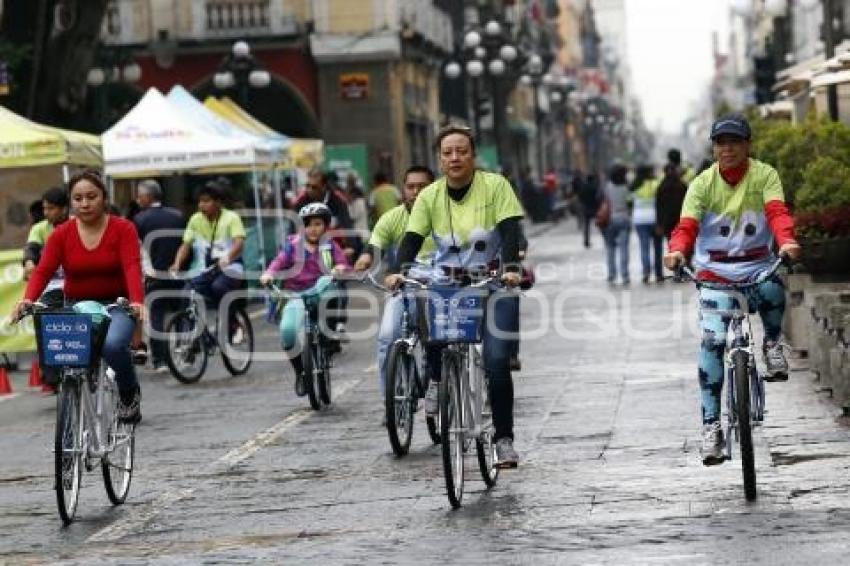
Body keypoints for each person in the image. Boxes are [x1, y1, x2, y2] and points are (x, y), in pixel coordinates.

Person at [663, 114, 802, 466]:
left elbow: (777, 213)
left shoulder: (764, 175)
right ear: (714, 148)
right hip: (715, 275)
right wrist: (677, 251)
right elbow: (686, 226)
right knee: (711, 342)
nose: (727, 149)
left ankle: (771, 344)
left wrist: (786, 242)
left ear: (747, 145)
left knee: (773, 290)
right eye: (721, 143)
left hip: (758, 268)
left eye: (735, 142)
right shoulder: (701, 185)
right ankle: (711, 427)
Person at [385, 125, 524, 468]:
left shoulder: (495, 186)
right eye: (447, 153)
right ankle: (438, 383)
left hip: (493, 284)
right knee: (430, 327)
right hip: (447, 286)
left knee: (494, 360)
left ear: (473, 155)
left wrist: (509, 268)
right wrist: (399, 269)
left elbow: (510, 233)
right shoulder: (430, 196)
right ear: (440, 159)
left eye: (461, 151)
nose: (454, 158)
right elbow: (412, 239)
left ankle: (503, 439)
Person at [12, 170, 145, 423]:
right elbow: (43, 270)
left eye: (91, 197)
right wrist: (28, 299)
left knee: (113, 346)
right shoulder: (61, 233)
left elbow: (132, 266)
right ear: (71, 202)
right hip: (77, 307)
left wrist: (137, 301)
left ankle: (129, 393)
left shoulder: (123, 228)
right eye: (78, 198)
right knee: (61, 353)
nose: (85, 204)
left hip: (116, 305)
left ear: (104, 198)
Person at [353, 165, 436, 406]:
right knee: (388, 337)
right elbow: (375, 243)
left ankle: (439, 383)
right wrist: (366, 257)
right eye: (411, 187)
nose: (416, 191)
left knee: (443, 339)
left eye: (423, 186)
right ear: (403, 191)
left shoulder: (447, 215)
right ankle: (393, 399)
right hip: (405, 285)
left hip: (440, 287)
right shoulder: (392, 218)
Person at [259, 203, 350, 396]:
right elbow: (278, 262)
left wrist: (339, 269)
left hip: (321, 291)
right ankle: (300, 372)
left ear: (326, 226)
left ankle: (330, 338)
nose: (313, 229)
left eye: (318, 224)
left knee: (333, 295)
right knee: (288, 331)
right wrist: (269, 274)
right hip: (295, 295)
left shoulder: (330, 246)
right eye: (308, 224)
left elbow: (342, 264)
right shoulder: (292, 245)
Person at [170, 180, 246, 334]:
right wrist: (177, 264)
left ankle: (232, 322)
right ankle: (189, 336)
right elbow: (186, 245)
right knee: (187, 292)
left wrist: (228, 257)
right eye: (199, 201)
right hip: (207, 269)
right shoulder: (195, 219)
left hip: (231, 267)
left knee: (219, 287)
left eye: (206, 201)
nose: (201, 205)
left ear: (218, 202)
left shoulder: (231, 217)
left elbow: (239, 242)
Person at [132, 179, 186, 373]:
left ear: (147, 197)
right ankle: (184, 352)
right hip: (178, 274)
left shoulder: (140, 220)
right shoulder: (178, 216)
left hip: (154, 276)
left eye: (139, 195)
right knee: (182, 313)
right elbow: (186, 244)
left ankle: (160, 360)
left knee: (156, 318)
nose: (137, 199)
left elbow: (137, 250)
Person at [631, 165, 663, 284]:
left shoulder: (634, 186)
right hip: (655, 219)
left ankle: (646, 273)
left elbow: (629, 201)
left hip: (640, 220)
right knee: (658, 248)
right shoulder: (655, 183)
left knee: (644, 248)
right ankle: (659, 274)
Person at [601, 164, 632, 285]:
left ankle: (611, 274)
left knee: (610, 248)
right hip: (623, 218)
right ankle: (625, 275)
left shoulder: (607, 187)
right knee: (624, 248)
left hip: (610, 219)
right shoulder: (626, 187)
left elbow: (602, 200)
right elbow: (630, 202)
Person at [655, 163, 688, 240]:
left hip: (666, 220)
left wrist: (659, 223)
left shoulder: (661, 186)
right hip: (680, 218)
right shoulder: (682, 185)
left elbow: (658, 206)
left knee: (671, 242)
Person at [344, 173, 369, 257]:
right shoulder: (358, 201)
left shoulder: (358, 202)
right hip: (358, 230)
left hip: (359, 230)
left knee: (359, 249)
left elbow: (353, 216)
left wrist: (348, 207)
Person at [578, 173, 601, 248]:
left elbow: (580, 197)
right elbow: (598, 197)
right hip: (595, 208)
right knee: (602, 223)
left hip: (586, 208)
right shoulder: (595, 187)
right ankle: (606, 238)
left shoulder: (583, 187)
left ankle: (586, 241)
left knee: (586, 226)